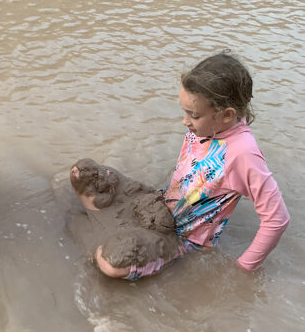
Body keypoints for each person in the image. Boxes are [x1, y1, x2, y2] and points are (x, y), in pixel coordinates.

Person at [94, 51, 290, 279]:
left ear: (226, 115)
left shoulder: (243, 154)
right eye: (185, 112)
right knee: (84, 174)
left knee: (111, 265)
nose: (185, 121)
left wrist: (244, 268)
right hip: (162, 207)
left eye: (193, 115)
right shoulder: (207, 126)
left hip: (183, 239)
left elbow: (277, 219)